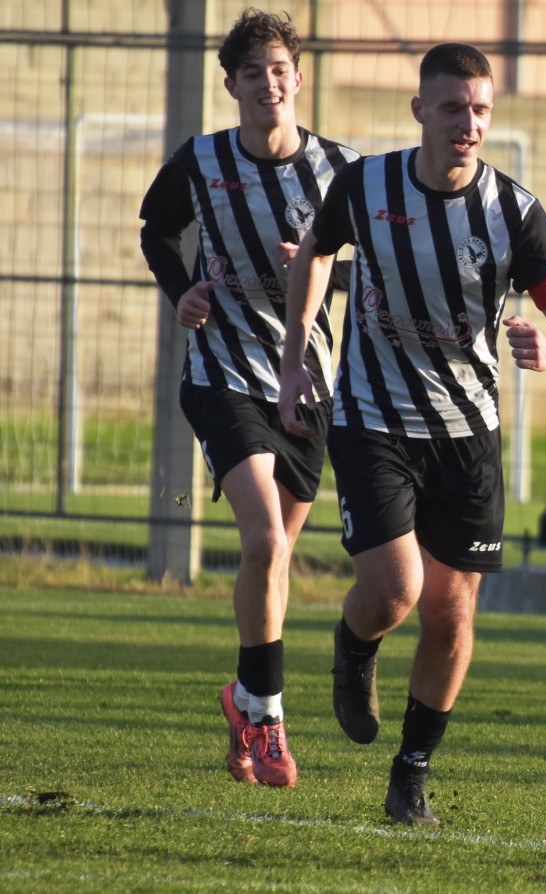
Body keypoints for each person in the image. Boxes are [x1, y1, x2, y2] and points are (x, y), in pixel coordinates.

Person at [278, 42, 546, 826]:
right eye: (452, 108)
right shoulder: (365, 185)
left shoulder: (514, 212)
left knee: (451, 613)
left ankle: (410, 773)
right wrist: (295, 357)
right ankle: (355, 646)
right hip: (373, 419)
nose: (468, 124)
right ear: (419, 111)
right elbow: (316, 254)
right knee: (396, 590)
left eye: (480, 110)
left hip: (468, 433)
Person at [138, 8, 359, 788]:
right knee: (264, 539)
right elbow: (156, 232)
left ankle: (241, 697)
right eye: (253, 72)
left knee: (276, 554)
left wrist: (324, 268)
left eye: (280, 69)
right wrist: (184, 292)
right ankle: (267, 720)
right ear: (230, 84)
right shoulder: (200, 161)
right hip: (222, 375)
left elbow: (383, 261)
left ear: (299, 77)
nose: (269, 83)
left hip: (306, 381)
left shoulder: (341, 169)